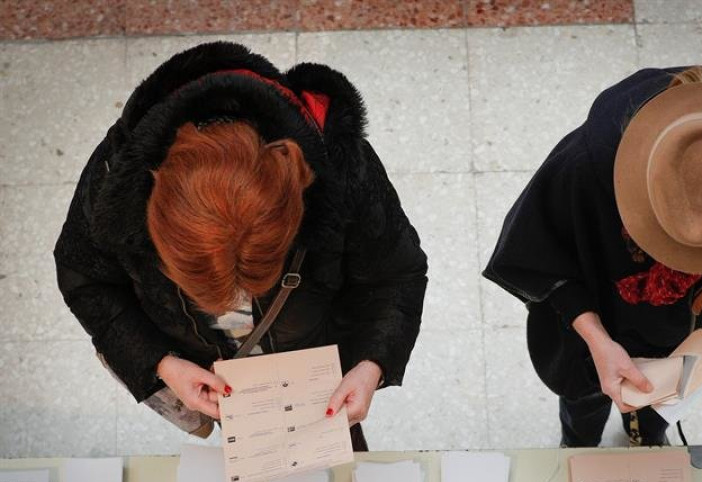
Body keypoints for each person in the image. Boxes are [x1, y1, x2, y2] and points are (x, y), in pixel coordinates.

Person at [54, 42, 428, 450]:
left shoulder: (341, 169)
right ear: (152, 214)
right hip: (207, 366)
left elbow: (396, 274)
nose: (234, 301)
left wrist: (371, 363)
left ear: (295, 195)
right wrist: (161, 363)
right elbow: (87, 280)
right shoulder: (115, 186)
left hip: (315, 377)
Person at [483, 66, 702, 447]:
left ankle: (650, 432)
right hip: (607, 306)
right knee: (584, 395)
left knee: (670, 396)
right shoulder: (587, 165)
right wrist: (597, 340)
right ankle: (578, 440)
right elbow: (540, 254)